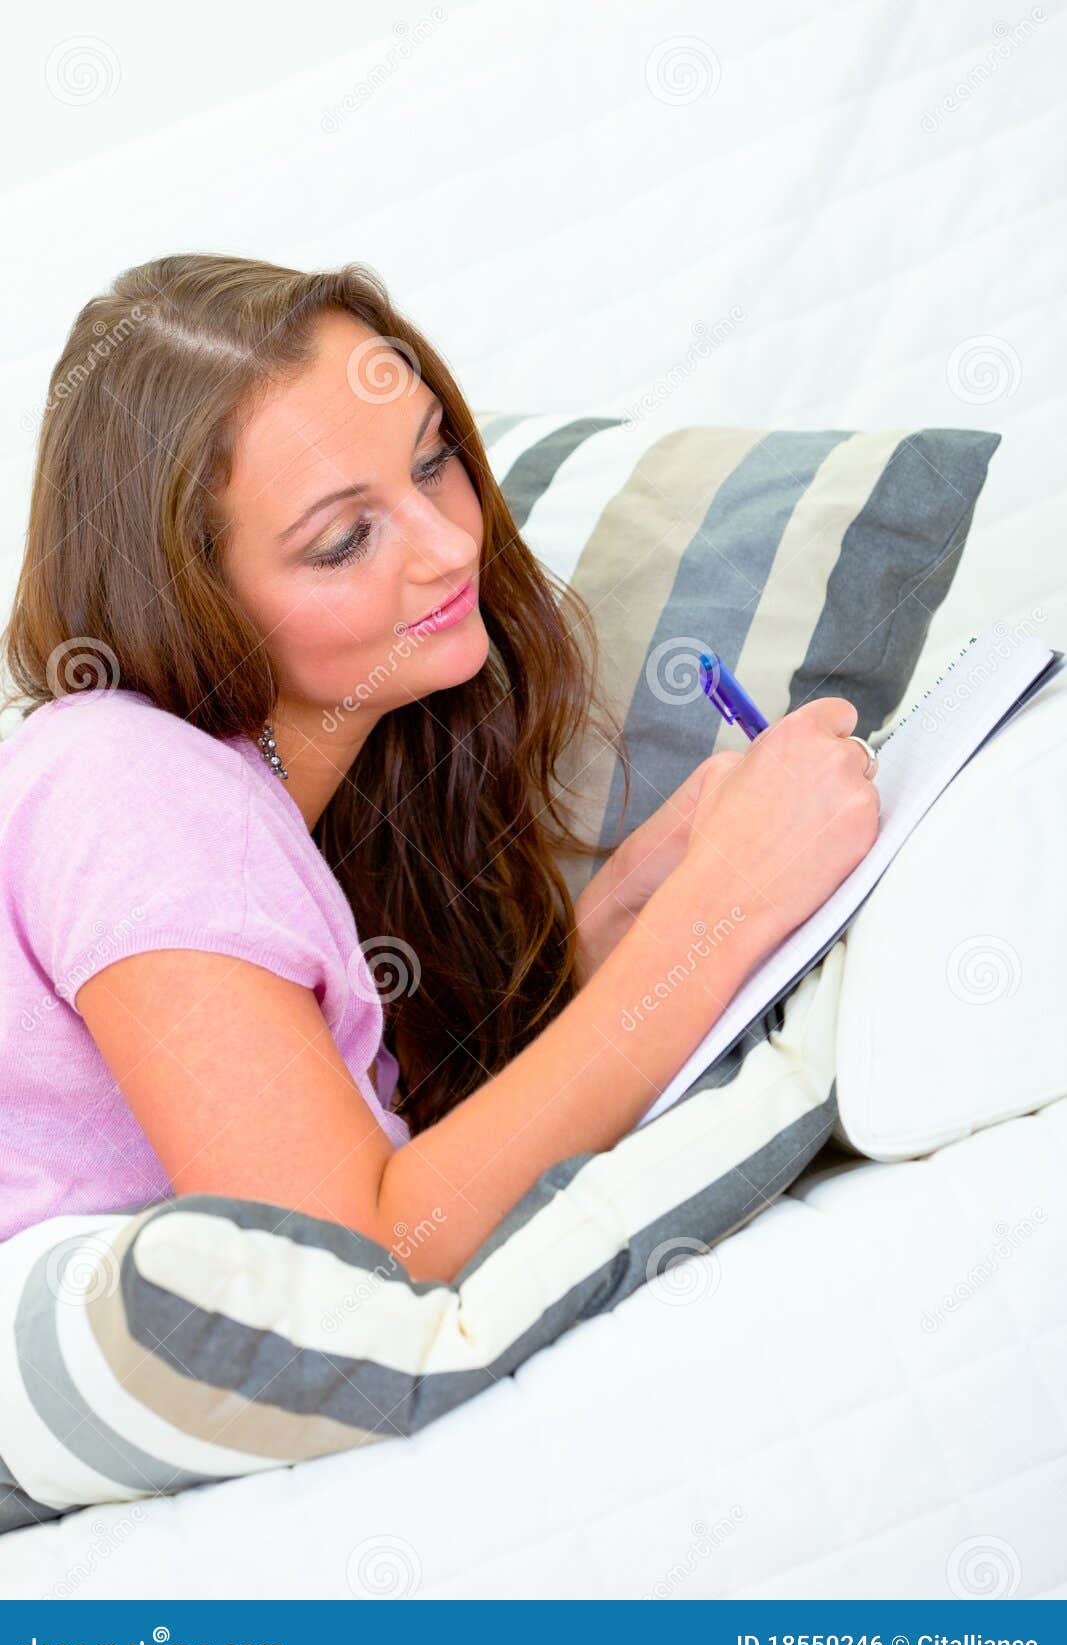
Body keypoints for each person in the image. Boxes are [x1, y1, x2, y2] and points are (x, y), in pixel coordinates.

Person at [0, 254, 879, 1276]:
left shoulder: (307, 790)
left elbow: (372, 1159)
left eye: (428, 463)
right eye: (341, 540)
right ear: (190, 601)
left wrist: (597, 949)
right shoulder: (119, 776)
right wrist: (720, 911)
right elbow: (348, 1260)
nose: (446, 547)